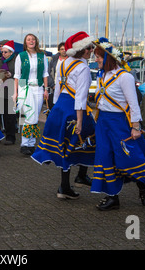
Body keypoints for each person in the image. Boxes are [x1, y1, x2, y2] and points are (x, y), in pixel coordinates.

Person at [90, 37, 145, 211]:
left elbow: (133, 104)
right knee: (106, 157)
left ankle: (143, 187)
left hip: (120, 123)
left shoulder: (124, 77)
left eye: (99, 57)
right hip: (103, 123)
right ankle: (112, 197)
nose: (96, 60)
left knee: (127, 157)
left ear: (108, 58)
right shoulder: (103, 75)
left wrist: (136, 127)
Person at [31, 32, 95, 199]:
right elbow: (81, 97)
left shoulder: (63, 62)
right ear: (82, 49)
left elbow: (58, 89)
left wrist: (56, 109)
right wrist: (80, 121)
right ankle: (81, 175)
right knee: (90, 138)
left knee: (64, 147)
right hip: (75, 109)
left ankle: (65, 186)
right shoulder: (83, 68)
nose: (92, 50)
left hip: (61, 108)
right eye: (89, 47)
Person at [13, 34, 49, 155]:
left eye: (33, 39)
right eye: (28, 39)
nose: (31, 41)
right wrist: (16, 92)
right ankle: (24, 144)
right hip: (25, 86)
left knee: (34, 117)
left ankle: (31, 143)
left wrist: (46, 89)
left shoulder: (41, 56)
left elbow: (45, 73)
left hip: (38, 88)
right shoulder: (21, 56)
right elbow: (17, 75)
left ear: (36, 41)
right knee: (26, 116)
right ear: (25, 42)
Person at [0, 40, 17, 145]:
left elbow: (19, 74)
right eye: (2, 52)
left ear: (11, 52)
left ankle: (10, 137)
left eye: (5, 52)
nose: (3, 54)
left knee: (9, 115)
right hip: (0, 90)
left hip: (11, 89)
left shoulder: (16, 61)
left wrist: (11, 74)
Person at [47, 42, 66, 110]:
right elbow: (47, 73)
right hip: (54, 88)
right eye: (62, 49)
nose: (64, 51)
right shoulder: (54, 60)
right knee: (53, 108)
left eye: (65, 49)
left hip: (66, 89)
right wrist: (52, 85)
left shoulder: (71, 60)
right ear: (59, 50)